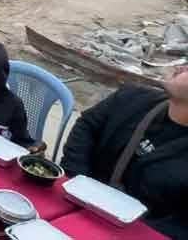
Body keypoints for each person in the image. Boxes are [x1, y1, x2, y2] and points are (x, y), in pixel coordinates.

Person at [61, 67, 188, 237]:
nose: (183, 66)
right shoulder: (132, 98)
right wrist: (78, 181)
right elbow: (88, 126)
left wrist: (132, 230)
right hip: (74, 202)